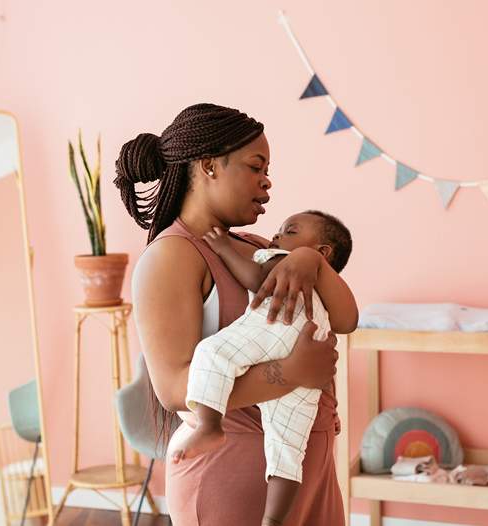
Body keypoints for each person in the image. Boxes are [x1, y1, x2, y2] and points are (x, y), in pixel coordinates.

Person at [114, 103, 358, 525]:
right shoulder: (171, 257)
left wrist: (310, 261)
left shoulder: (253, 243)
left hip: (304, 469)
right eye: (254, 166)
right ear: (209, 165)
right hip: (232, 478)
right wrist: (291, 373)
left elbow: (342, 316)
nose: (267, 182)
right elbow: (174, 387)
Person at [173, 211, 353, 526]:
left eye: (290, 230)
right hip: (306, 366)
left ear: (323, 253)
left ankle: (209, 425)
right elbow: (346, 322)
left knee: (212, 353)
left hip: (273, 333)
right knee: (287, 449)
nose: (277, 236)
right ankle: (274, 519)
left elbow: (257, 279)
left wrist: (225, 249)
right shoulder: (322, 285)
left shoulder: (288, 261)